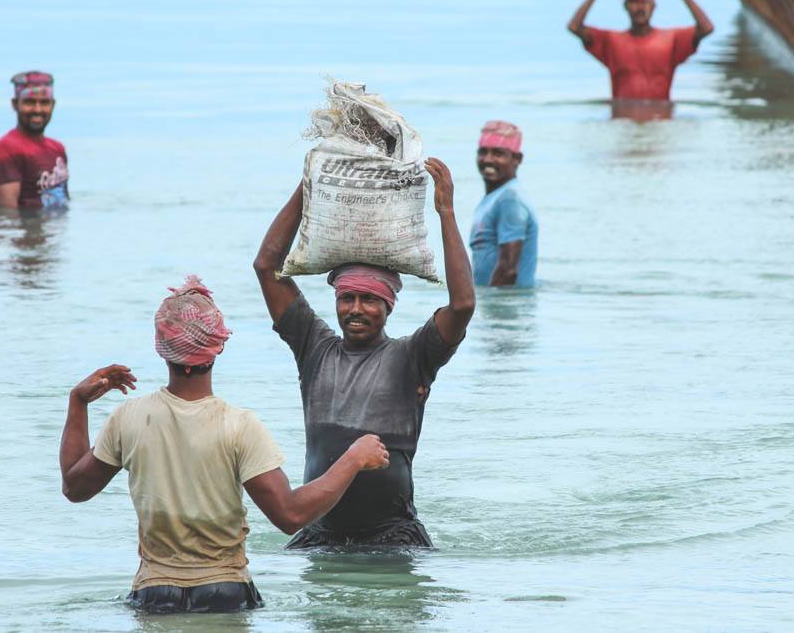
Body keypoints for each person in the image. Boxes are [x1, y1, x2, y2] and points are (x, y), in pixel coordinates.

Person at [59, 275, 390, 614]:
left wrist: (77, 403)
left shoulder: (128, 418)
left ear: (161, 348)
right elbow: (291, 516)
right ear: (218, 346)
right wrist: (353, 458)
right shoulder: (238, 425)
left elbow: (75, 488)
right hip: (225, 594)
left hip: (155, 595)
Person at [253, 157, 475, 549]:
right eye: (347, 298)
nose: (356, 310)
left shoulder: (412, 357)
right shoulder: (314, 348)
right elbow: (267, 265)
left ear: (389, 306)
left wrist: (446, 212)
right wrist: (309, 189)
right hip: (321, 532)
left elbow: (462, 306)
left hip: (392, 535)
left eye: (370, 300)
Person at [567, 0, 714, 102]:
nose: (640, 8)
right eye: (634, 2)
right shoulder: (611, 41)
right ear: (625, 6)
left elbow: (706, 28)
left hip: (660, 120)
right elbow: (574, 27)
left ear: (653, 6)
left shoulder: (671, 40)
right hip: (622, 121)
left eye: (645, 2)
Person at [469, 121, 538, 288]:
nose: (488, 160)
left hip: (505, 309)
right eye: (483, 152)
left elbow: (508, 270)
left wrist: (493, 309)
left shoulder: (510, 199)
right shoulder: (495, 197)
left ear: (517, 159)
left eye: (498, 153)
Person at [0, 71, 70, 209]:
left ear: (53, 105)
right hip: (28, 229)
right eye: (29, 102)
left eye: (44, 103)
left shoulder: (57, 148)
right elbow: (8, 217)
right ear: (15, 104)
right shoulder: (6, 151)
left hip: (54, 229)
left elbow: (65, 202)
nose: (37, 110)